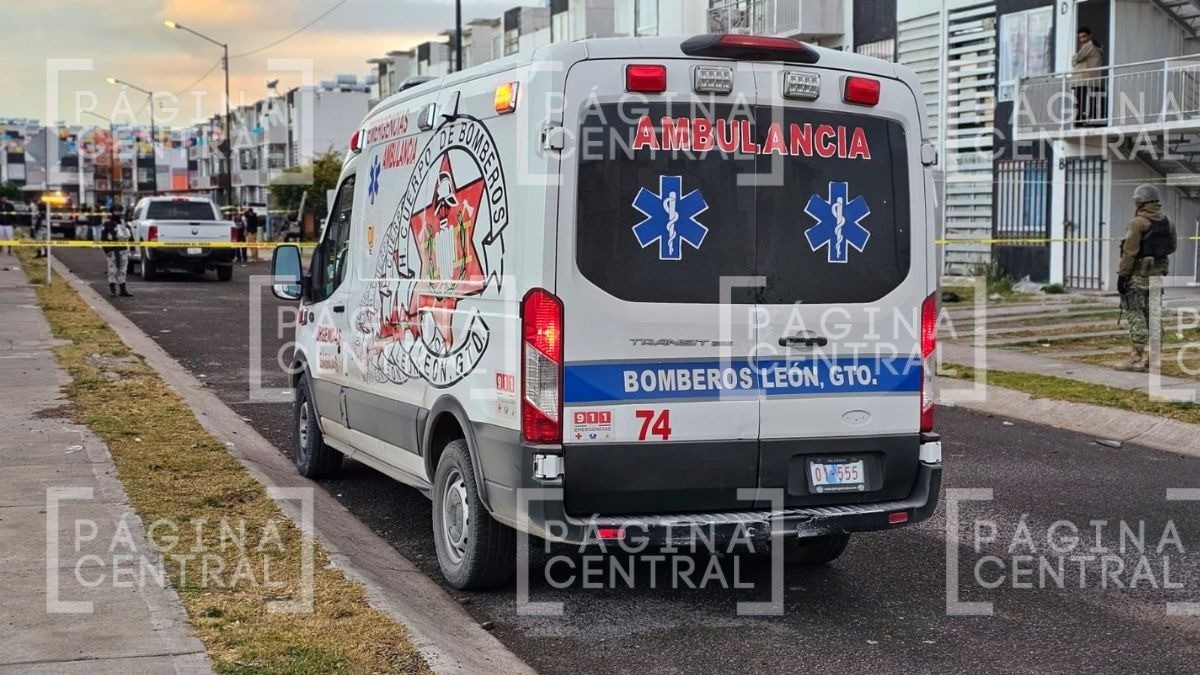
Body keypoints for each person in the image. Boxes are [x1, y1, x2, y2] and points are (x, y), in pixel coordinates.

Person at [1116, 184, 1177, 372]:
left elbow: (1129, 252)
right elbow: (1172, 247)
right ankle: (1155, 360)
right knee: (1155, 315)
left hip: (1138, 275)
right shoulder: (1168, 222)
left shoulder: (1138, 223)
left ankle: (1137, 359)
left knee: (1135, 313)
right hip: (1157, 275)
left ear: (1139, 202)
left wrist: (1122, 275)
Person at [100, 206, 134, 298]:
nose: (118, 213)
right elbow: (103, 238)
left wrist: (132, 247)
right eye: (116, 211)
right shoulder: (108, 223)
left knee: (123, 270)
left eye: (120, 211)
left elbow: (130, 235)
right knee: (112, 270)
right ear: (112, 211)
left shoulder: (124, 223)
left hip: (124, 249)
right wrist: (107, 250)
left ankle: (123, 290)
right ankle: (113, 290)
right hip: (113, 250)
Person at [1072, 27, 1104, 124]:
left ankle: (1079, 119)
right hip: (1090, 78)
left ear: (1090, 35)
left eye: (1084, 36)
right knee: (1088, 100)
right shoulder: (1096, 46)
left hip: (1083, 78)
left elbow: (1077, 58)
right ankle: (1085, 118)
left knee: (1080, 101)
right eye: (1080, 38)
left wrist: (1074, 58)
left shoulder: (1088, 45)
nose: (1082, 39)